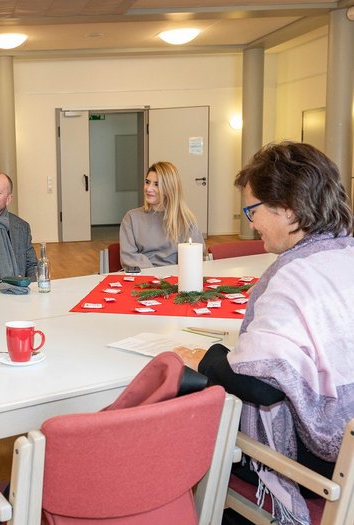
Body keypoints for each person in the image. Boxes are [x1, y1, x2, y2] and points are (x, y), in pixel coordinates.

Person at [185, 142, 354, 525]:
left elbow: (261, 384)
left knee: (194, 427)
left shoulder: (294, 276)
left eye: (253, 210)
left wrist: (205, 357)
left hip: (323, 463)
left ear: (288, 208)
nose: (249, 222)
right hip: (348, 438)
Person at [119, 161, 204, 269]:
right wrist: (155, 276)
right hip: (143, 278)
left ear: (170, 188)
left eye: (156, 184)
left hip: (177, 278)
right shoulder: (131, 218)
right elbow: (129, 257)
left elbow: (197, 256)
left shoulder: (186, 220)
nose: (148, 189)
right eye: (147, 182)